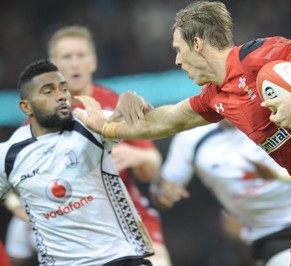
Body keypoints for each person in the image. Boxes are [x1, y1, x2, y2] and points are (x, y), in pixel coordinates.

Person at [75, 1, 291, 265]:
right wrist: (107, 127)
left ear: (197, 44)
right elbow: (167, 120)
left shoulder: (257, 58)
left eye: (178, 49)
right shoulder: (216, 95)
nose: (177, 60)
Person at [5, 26, 171, 266]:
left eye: (81, 55)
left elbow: (151, 168)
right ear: (53, 66)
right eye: (66, 57)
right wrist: (16, 206)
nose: (74, 64)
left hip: (126, 219)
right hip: (69, 225)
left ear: (92, 62)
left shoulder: (114, 106)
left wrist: (138, 156)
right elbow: (12, 178)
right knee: (17, 237)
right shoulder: (36, 123)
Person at [151, 119, 291, 265]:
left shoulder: (278, 114)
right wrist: (164, 193)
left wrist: (282, 176)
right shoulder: (191, 138)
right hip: (272, 235)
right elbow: (160, 192)